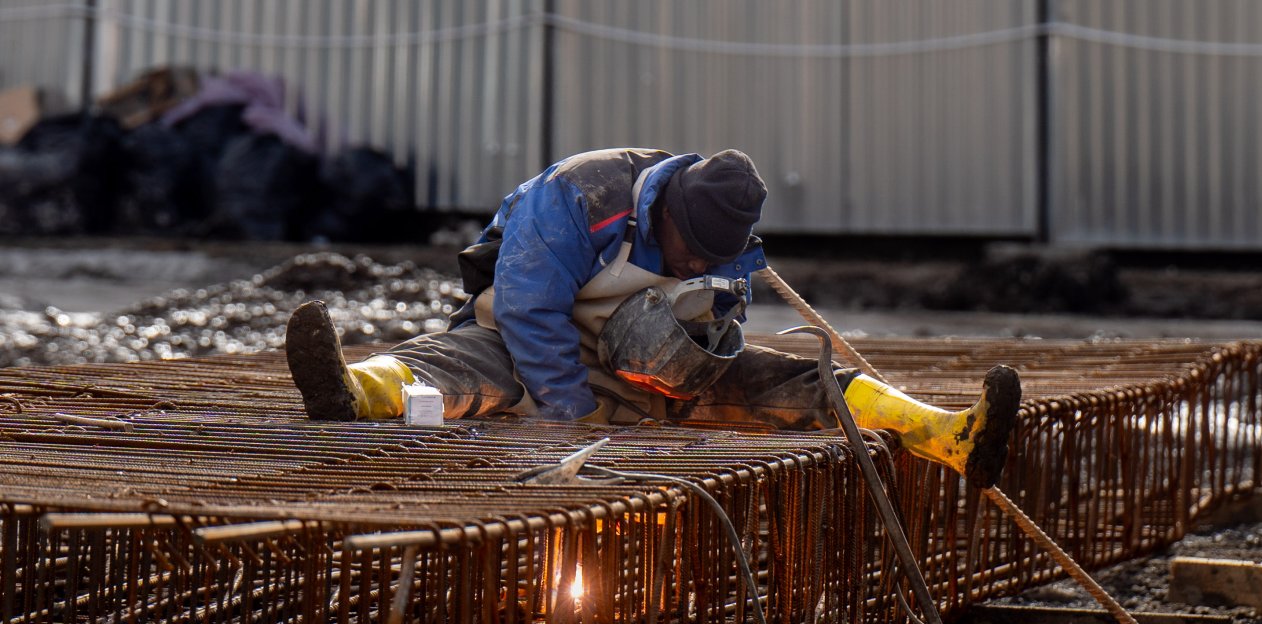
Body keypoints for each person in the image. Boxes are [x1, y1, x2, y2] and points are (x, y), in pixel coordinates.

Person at [285, 147, 1020, 487]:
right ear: (664, 210)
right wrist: (574, 417)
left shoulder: (730, 246)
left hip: (647, 363)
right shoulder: (581, 195)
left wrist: (694, 366)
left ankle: (947, 435)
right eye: (688, 252)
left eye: (710, 259)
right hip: (526, 341)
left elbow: (720, 326)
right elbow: (529, 310)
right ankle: (354, 389)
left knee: (793, 380)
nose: (696, 265)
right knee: (458, 368)